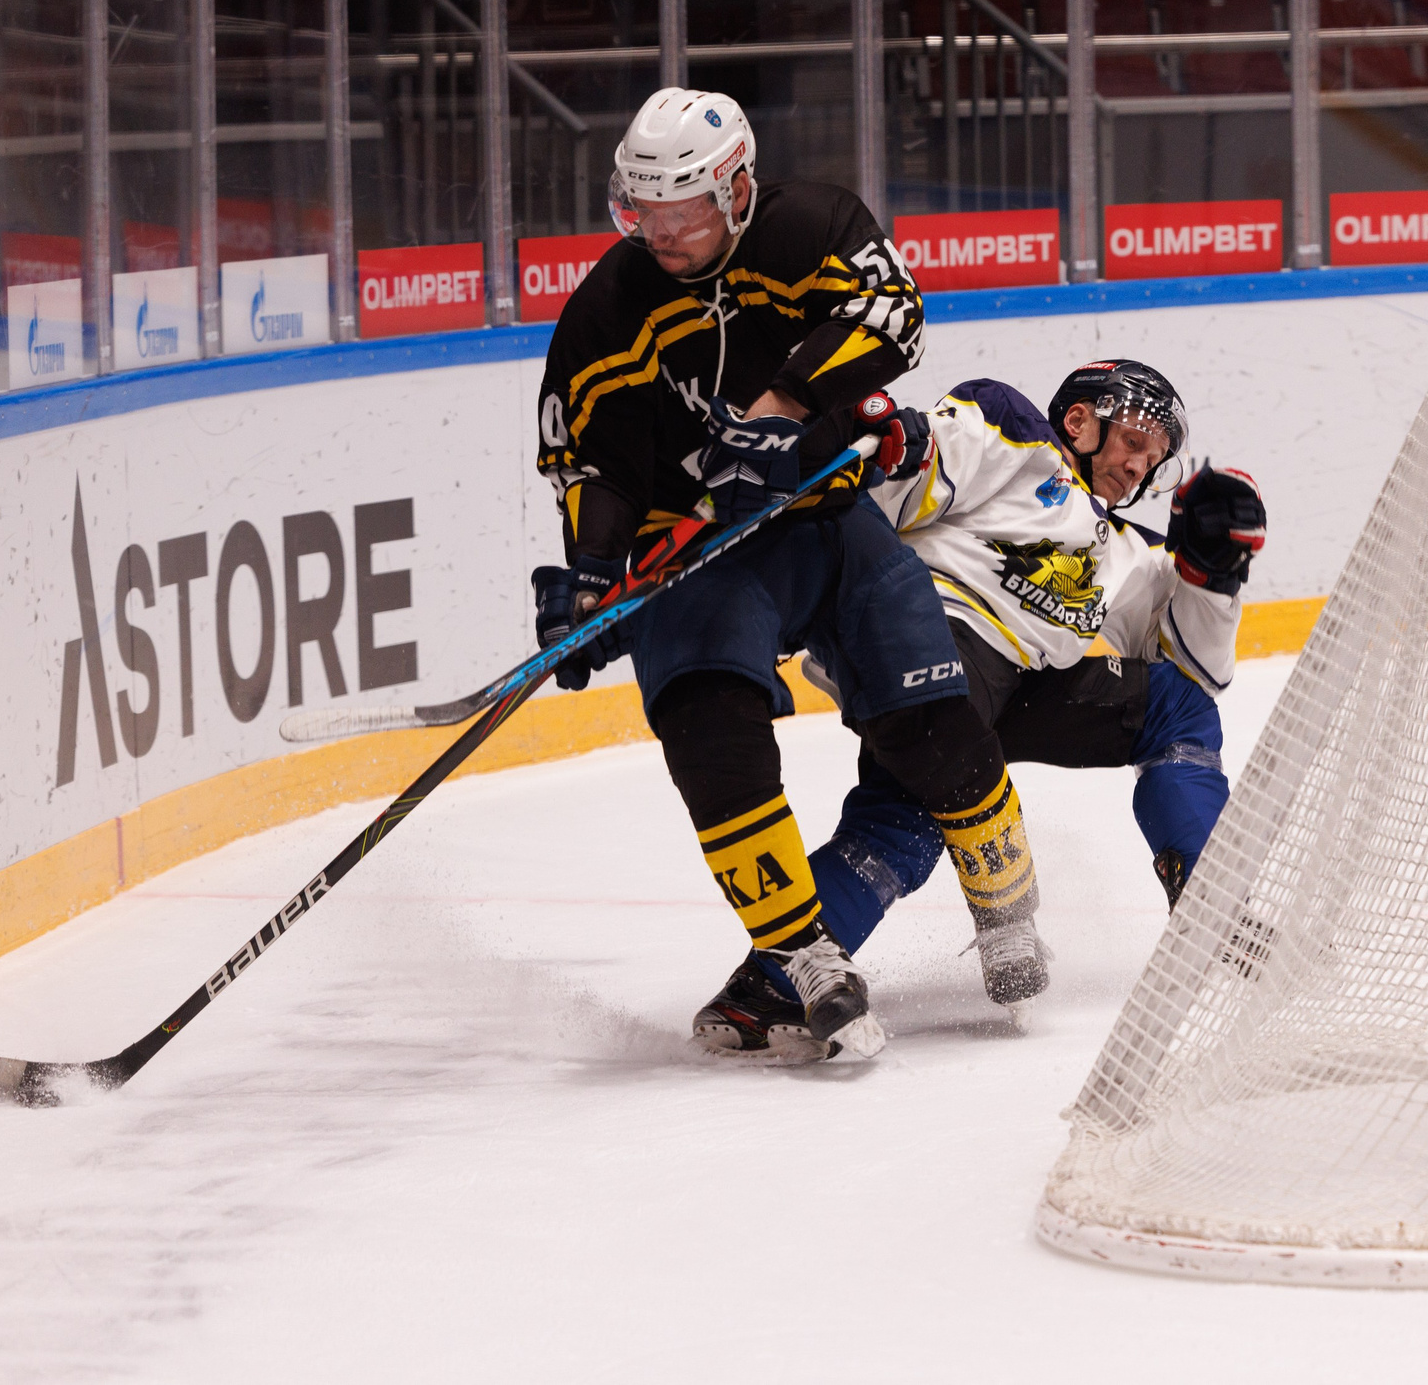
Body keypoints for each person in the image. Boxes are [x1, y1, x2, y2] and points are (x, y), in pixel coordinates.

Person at [531, 87, 1040, 1062]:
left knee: (932, 727)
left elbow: (893, 317)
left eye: (680, 211)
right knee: (706, 727)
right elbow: (589, 463)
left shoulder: (810, 225)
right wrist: (590, 575)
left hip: (828, 521)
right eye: (641, 210)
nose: (658, 233)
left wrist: (782, 410)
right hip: (704, 552)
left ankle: (1004, 898)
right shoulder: (607, 308)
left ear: (735, 189)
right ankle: (803, 951)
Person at [689, 363, 1269, 1059]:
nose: (1139, 466)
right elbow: (895, 487)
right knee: (922, 800)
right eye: (1134, 440)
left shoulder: (1132, 553)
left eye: (1154, 459)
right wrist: (894, 454)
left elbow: (1201, 669)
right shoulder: (1016, 435)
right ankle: (805, 973)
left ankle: (1208, 892)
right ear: (1081, 421)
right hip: (928, 646)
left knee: (1174, 709)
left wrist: (1213, 576)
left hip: (1021, 684)